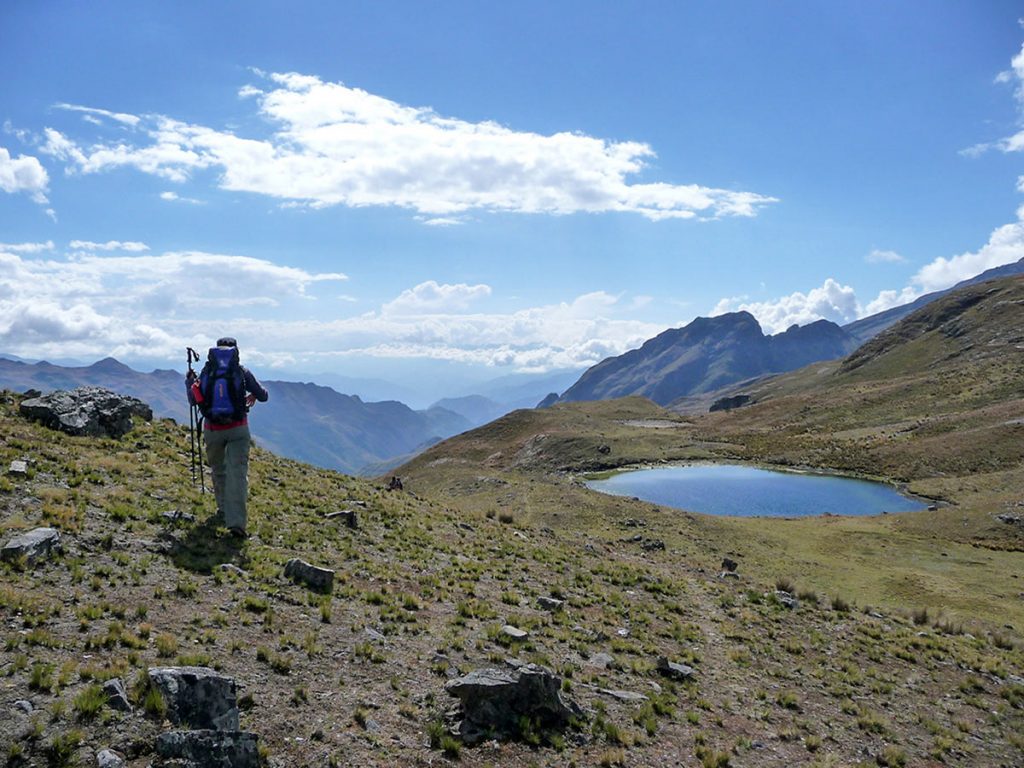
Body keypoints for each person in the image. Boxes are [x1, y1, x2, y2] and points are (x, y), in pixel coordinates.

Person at [186, 337, 268, 538]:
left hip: (212, 429)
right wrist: (254, 394)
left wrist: (189, 381)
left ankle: (222, 509)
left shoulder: (207, 372)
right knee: (237, 474)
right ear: (236, 351)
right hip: (238, 429)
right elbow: (264, 395)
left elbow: (193, 400)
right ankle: (236, 523)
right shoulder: (241, 371)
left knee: (219, 470)